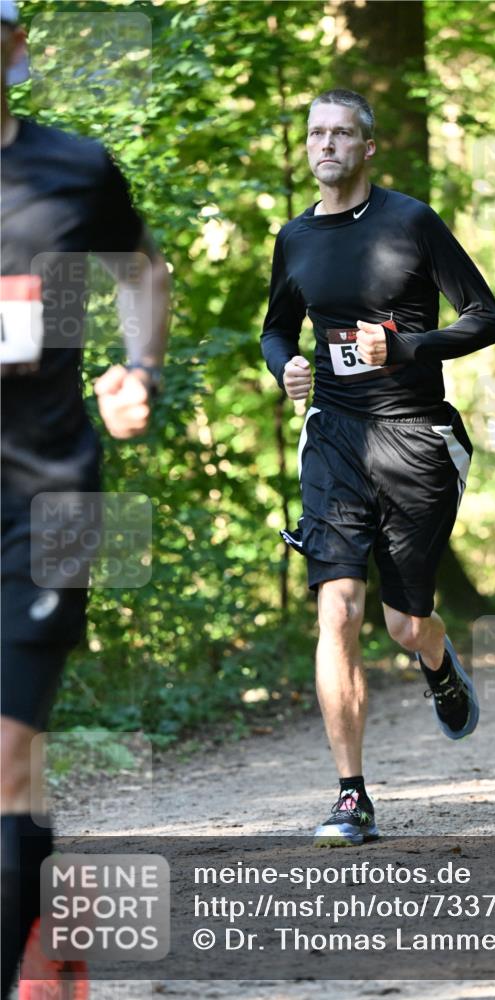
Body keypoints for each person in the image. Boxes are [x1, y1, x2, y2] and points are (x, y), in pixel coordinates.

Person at [261, 88, 495, 847]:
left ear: (367, 148)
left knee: (403, 623)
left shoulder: (411, 221)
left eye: (341, 133)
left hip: (415, 437)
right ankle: (350, 796)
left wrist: (405, 347)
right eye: (315, 133)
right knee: (337, 606)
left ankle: (436, 661)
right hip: (333, 436)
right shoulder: (294, 237)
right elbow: (273, 331)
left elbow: (485, 319)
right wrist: (287, 367)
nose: (325, 144)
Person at [0, 2, 171, 995]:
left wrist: (138, 371)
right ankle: (51, 917)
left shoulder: (74, 169)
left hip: (52, 494)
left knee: (7, 752)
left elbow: (142, 269)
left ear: (15, 46)